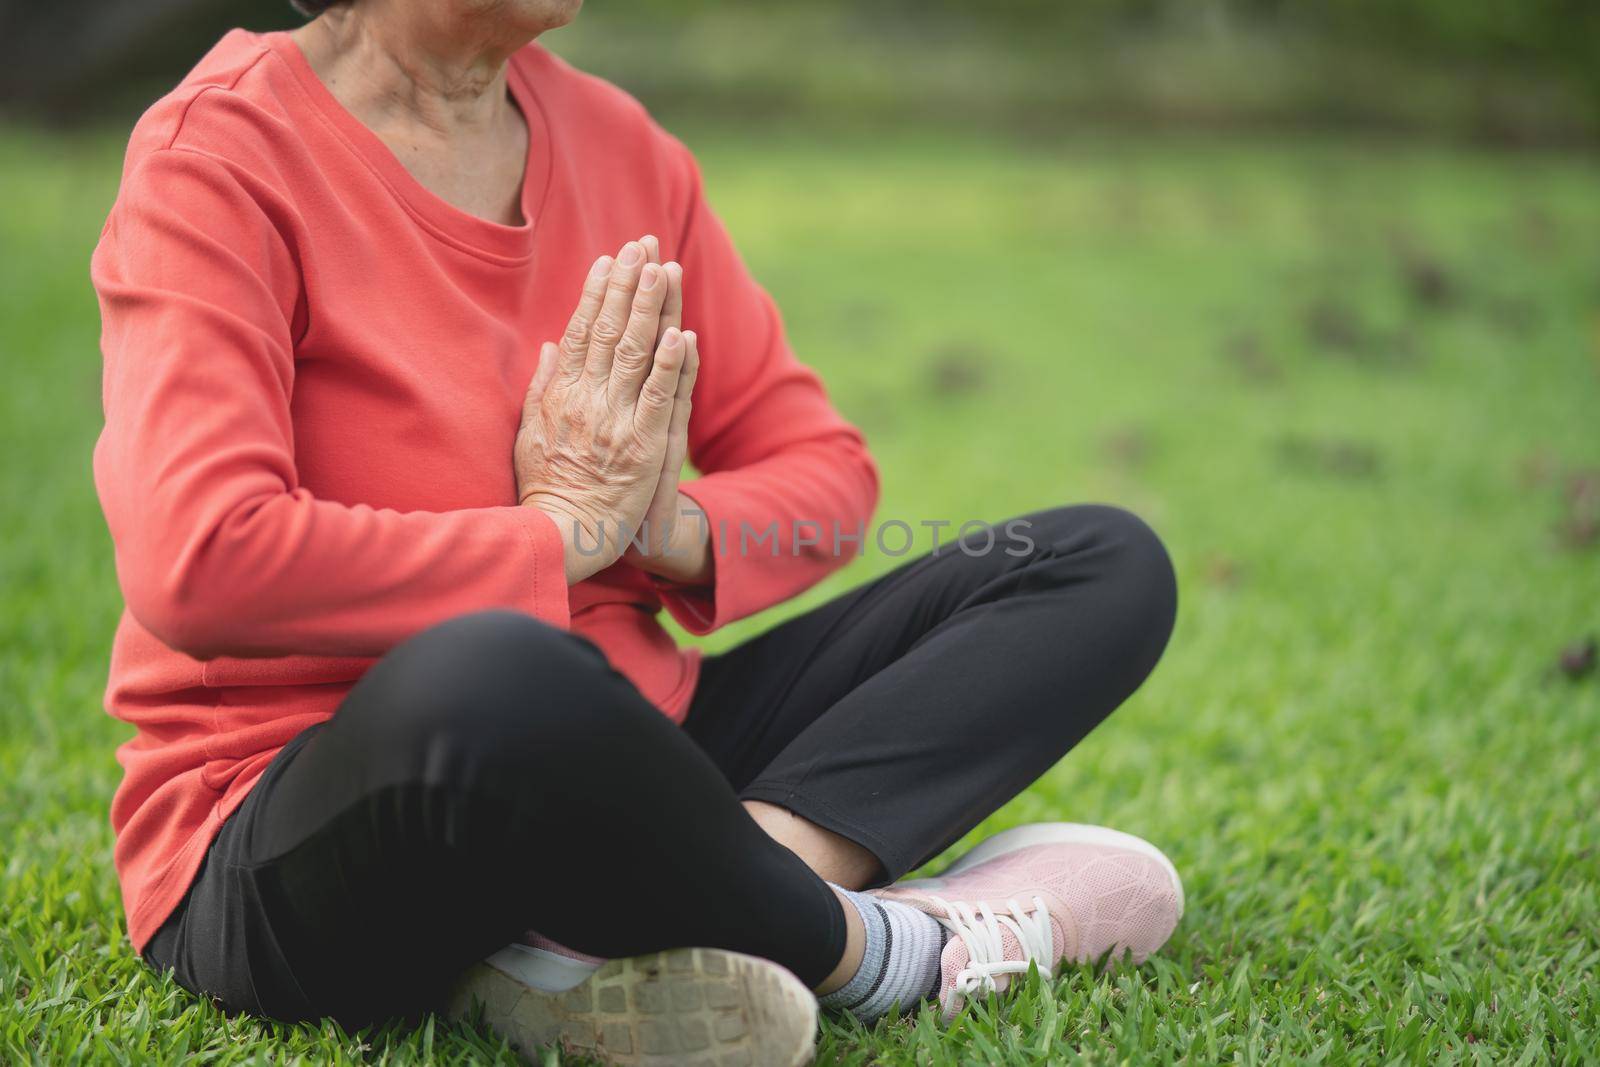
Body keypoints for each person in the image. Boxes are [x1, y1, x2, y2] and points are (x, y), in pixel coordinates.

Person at [91, 0, 1183, 1062]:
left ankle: (672, 903)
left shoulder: (621, 144)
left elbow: (828, 476)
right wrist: (554, 538)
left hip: (640, 753)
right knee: (502, 670)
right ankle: (890, 951)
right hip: (314, 813)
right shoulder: (219, 154)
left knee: (1096, 561)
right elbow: (200, 557)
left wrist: (663, 525)